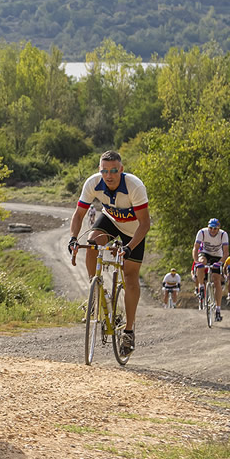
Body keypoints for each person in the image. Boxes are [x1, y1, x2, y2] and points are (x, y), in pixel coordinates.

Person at [67, 150, 151, 356]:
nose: (109, 175)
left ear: (121, 170)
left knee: (131, 279)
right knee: (93, 241)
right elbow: (79, 215)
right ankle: (95, 290)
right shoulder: (93, 183)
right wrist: (72, 238)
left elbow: (145, 223)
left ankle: (129, 331)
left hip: (133, 231)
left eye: (114, 170)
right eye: (104, 171)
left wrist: (129, 247)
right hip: (110, 221)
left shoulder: (134, 186)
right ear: (100, 170)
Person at [193, 218, 229, 321]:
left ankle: (218, 310)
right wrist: (196, 261)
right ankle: (201, 287)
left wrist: (220, 263)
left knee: (216, 280)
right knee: (201, 262)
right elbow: (195, 248)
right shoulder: (202, 232)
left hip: (218, 256)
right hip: (205, 253)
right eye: (211, 228)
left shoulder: (223, 235)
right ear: (208, 227)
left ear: (218, 229)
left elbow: (226, 252)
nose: (212, 230)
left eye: (215, 228)